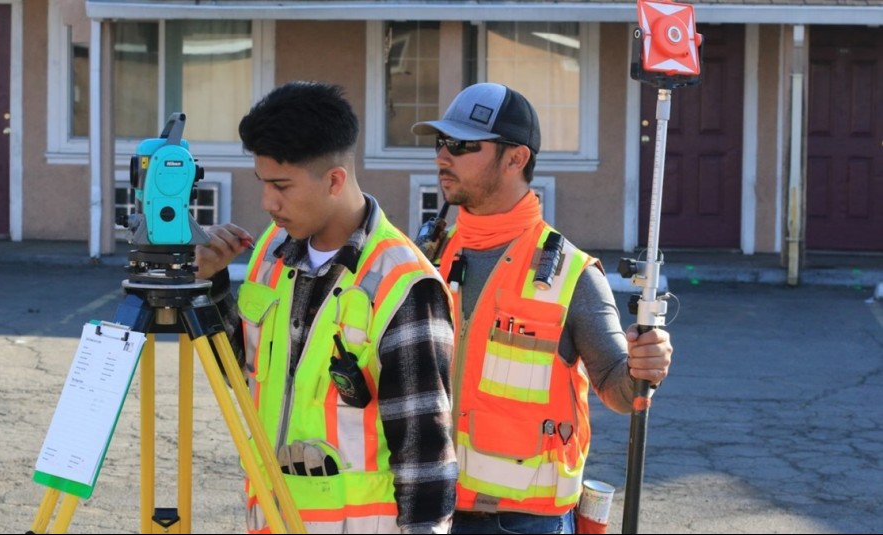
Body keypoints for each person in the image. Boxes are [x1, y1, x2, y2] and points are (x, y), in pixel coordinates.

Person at [410, 82, 674, 534]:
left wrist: (645, 367)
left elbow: (619, 389)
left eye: (461, 145)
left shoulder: (572, 274)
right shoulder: (424, 259)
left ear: (516, 159)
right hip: (426, 510)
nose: (442, 157)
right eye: (441, 142)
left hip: (522, 523)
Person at [195, 81, 457, 534]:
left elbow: (425, 457)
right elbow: (240, 374)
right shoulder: (270, 253)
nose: (267, 202)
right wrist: (212, 285)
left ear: (335, 180)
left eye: (281, 186)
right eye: (262, 183)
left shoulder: (403, 282)